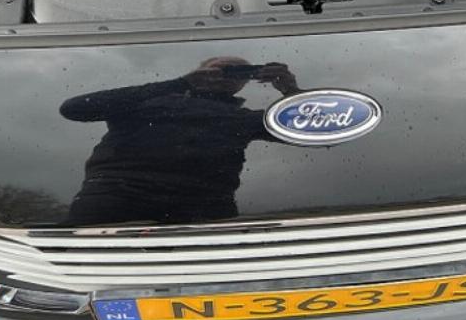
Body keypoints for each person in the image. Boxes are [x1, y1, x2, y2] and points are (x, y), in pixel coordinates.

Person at [60, 57, 299, 225]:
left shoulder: (242, 118)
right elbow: (73, 108)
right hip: (114, 195)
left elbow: (310, 128)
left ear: (245, 82)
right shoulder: (144, 102)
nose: (227, 74)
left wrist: (289, 90)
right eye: (220, 69)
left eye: (240, 72)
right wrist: (181, 83)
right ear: (199, 71)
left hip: (204, 207)